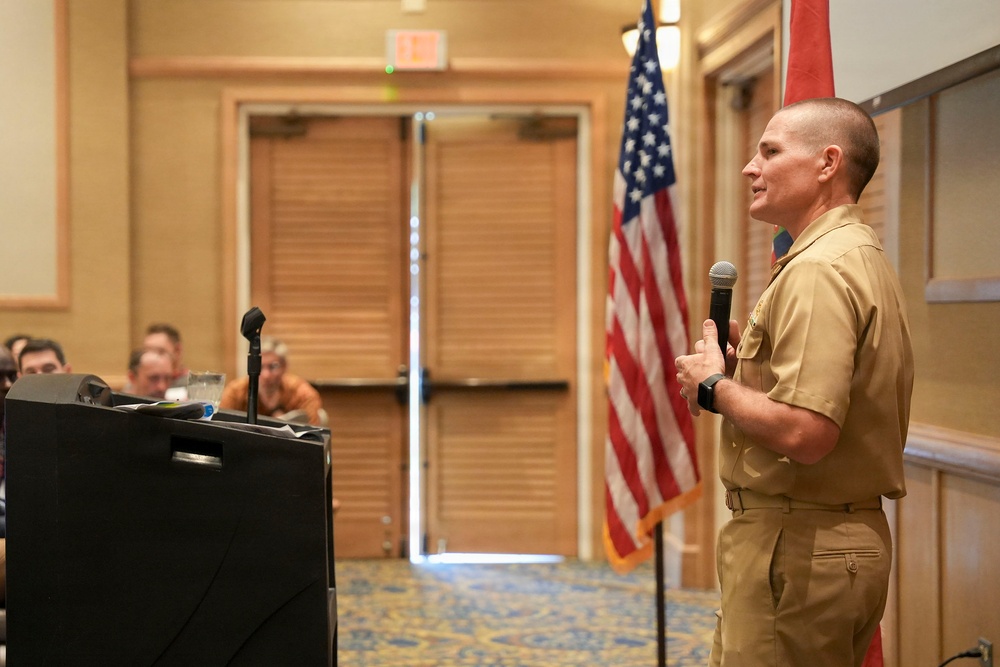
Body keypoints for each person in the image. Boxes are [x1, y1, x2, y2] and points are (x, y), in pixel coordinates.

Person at [674, 98, 913, 667]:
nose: (749, 167)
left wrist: (714, 387)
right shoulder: (855, 252)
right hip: (821, 538)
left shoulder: (817, 269)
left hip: (799, 543)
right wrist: (738, 376)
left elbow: (808, 433)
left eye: (771, 151)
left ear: (828, 163)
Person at [219, 336, 324, 426]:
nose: (266, 375)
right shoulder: (236, 392)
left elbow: (313, 438)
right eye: (260, 367)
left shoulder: (302, 394)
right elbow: (221, 429)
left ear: (284, 367)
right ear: (251, 368)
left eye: (273, 367)